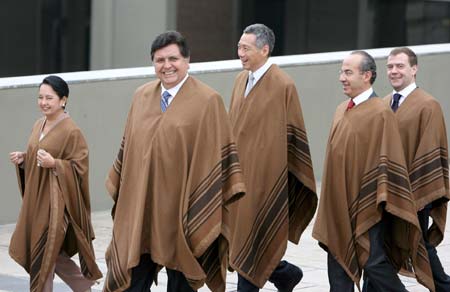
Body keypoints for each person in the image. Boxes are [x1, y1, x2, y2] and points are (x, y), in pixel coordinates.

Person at [102, 31, 245, 292]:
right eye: (159, 60)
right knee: (133, 281)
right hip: (143, 210)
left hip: (184, 210)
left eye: (173, 59)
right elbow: (131, 152)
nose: (167, 66)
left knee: (180, 284)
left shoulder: (208, 101)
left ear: (187, 60)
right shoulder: (141, 96)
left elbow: (216, 158)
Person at [312, 51, 434, 292]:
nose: (341, 78)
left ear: (367, 75)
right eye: (341, 71)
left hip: (368, 203)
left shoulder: (380, 112)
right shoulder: (341, 110)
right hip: (338, 204)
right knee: (337, 257)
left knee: (374, 262)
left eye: (348, 72)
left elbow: (388, 162)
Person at [228, 23, 318, 292]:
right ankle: (284, 273)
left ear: (264, 50)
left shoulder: (283, 85)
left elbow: (293, 136)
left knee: (255, 236)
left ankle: (259, 282)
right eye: (239, 47)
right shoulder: (239, 80)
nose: (240, 53)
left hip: (267, 179)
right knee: (242, 237)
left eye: (246, 48)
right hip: (239, 176)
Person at [9, 75, 102, 292]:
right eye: (40, 97)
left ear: (63, 100)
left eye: (49, 98)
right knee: (50, 252)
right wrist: (24, 159)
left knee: (43, 253)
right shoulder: (38, 124)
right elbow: (37, 157)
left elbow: (79, 167)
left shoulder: (72, 131)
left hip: (56, 205)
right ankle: (83, 285)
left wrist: (56, 164)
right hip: (36, 200)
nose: (43, 102)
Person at [383, 47, 450, 292]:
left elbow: (430, 148)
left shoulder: (428, 105)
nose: (394, 71)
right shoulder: (383, 104)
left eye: (400, 66)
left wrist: (422, 193)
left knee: (417, 244)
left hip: (414, 193)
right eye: (390, 66)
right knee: (383, 248)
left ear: (414, 69)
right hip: (385, 192)